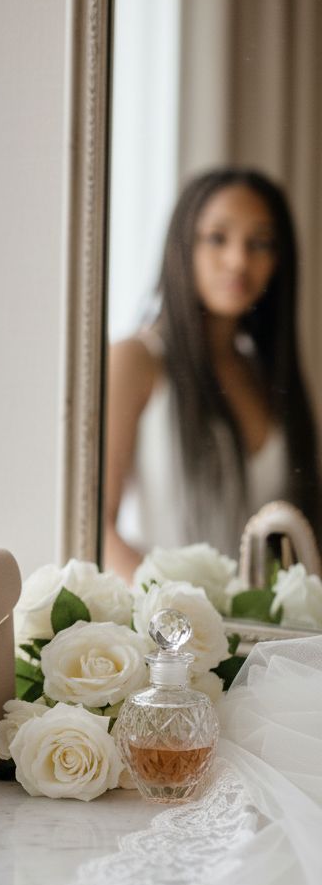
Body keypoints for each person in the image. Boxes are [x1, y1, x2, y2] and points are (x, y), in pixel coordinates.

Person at [104, 167, 321, 582]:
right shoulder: (137, 361)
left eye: (260, 243)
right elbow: (99, 527)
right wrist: (179, 615)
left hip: (262, 635)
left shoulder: (265, 373)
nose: (239, 260)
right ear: (183, 245)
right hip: (171, 632)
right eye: (217, 238)